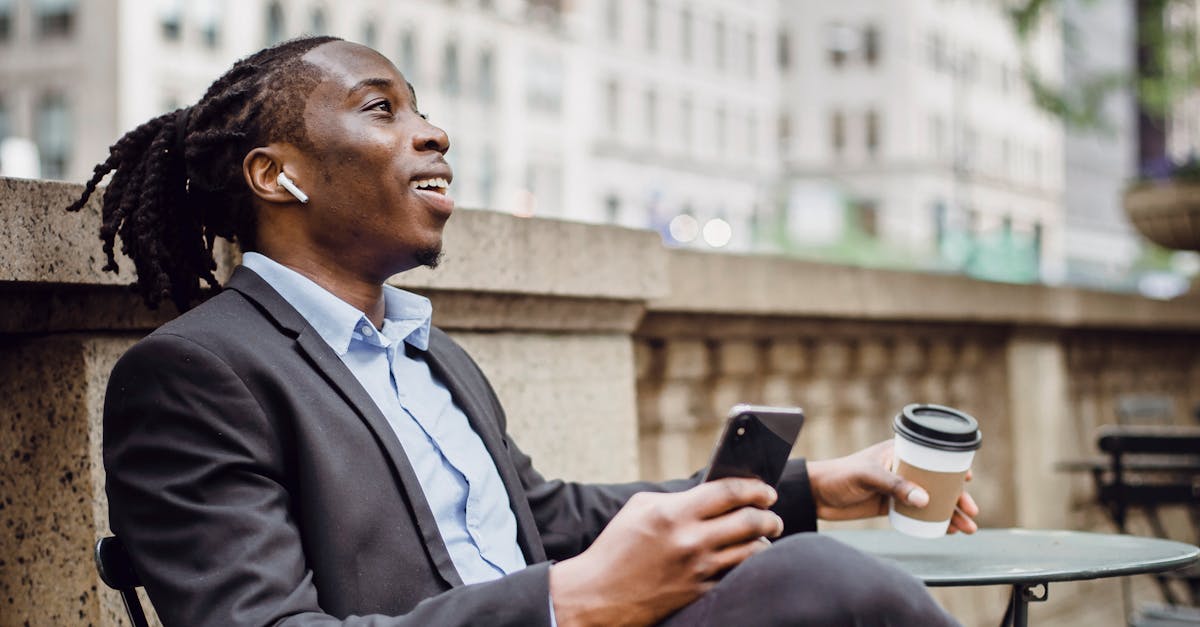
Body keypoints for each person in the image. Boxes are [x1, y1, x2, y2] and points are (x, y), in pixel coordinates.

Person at [68, 36, 978, 626]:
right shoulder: (195, 373)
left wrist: (814, 486)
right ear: (279, 175)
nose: (434, 132)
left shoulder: (433, 354)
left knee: (812, 574)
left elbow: (551, 519)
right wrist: (570, 601)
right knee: (824, 585)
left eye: (421, 108)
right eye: (383, 109)